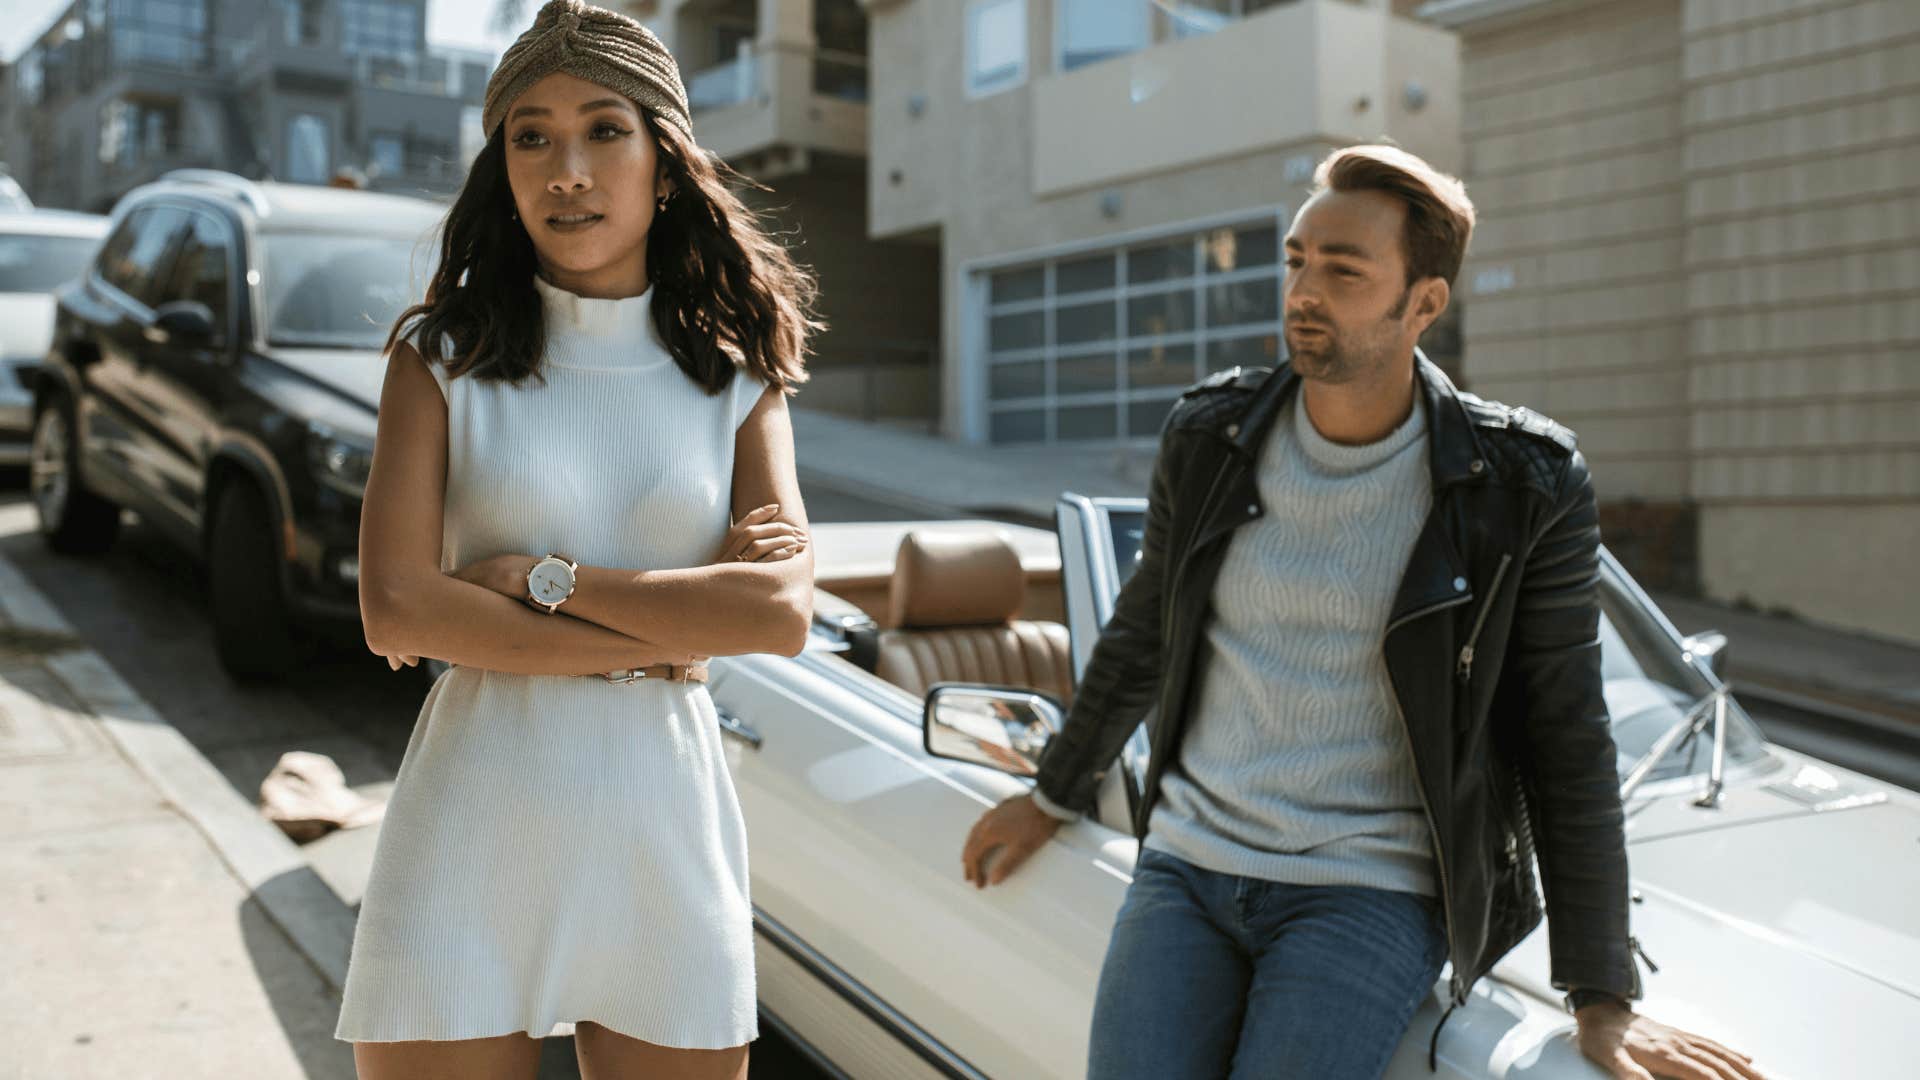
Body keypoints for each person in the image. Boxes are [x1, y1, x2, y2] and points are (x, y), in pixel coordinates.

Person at [960, 145, 1768, 1080]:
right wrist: (1054, 792)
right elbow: (1145, 630)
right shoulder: (1209, 438)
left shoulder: (1523, 485)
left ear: (1423, 303)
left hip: (1370, 889)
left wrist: (1602, 995)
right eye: (1299, 259)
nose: (1304, 289)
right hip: (1188, 861)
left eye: (1344, 271)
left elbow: (1565, 732)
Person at [333, 3, 820, 1078]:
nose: (568, 169)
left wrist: (546, 585)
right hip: (473, 819)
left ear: (664, 158)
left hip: (660, 828)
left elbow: (776, 614)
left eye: (604, 130)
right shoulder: (441, 359)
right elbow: (400, 608)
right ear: (501, 167)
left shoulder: (735, 377)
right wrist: (658, 643)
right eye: (531, 135)